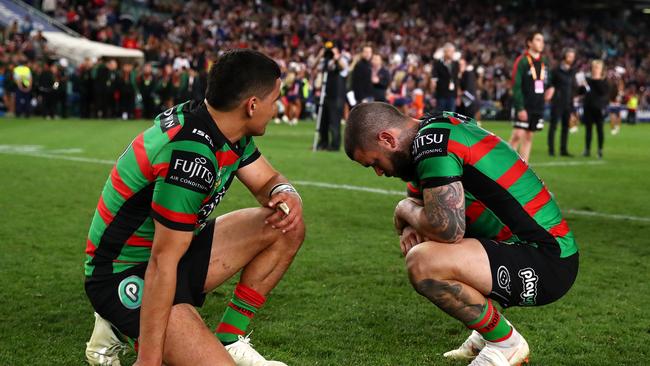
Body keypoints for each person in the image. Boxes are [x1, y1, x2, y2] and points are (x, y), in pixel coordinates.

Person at [84, 49, 305, 366]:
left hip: (171, 254)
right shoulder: (190, 155)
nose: (277, 108)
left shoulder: (222, 125)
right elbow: (161, 262)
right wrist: (150, 360)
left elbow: (266, 181)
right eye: (274, 99)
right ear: (252, 105)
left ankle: (229, 338)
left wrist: (285, 192)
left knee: (287, 224)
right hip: (125, 272)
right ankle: (119, 320)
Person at [344, 102, 579, 366]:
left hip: (547, 260)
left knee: (423, 262)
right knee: (426, 240)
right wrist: (414, 218)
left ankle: (506, 343)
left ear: (387, 139)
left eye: (375, 162)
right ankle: (485, 335)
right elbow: (424, 189)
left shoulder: (432, 143)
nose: (379, 172)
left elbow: (447, 230)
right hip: (537, 249)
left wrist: (405, 208)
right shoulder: (435, 127)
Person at [509, 32, 554, 162]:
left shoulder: (544, 60)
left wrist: (551, 88)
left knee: (529, 136)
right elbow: (516, 85)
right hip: (524, 104)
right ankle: (503, 167)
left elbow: (548, 79)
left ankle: (523, 169)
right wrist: (520, 107)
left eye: (542, 40)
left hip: (538, 104)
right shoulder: (522, 60)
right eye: (538, 40)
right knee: (517, 135)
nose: (542, 43)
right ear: (529, 42)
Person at [316, 45, 349, 151]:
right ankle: (323, 143)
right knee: (323, 122)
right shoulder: (325, 61)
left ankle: (334, 145)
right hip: (325, 95)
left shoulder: (342, 59)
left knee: (334, 122)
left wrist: (336, 58)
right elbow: (315, 67)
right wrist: (320, 55)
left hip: (336, 96)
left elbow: (343, 67)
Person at [548, 48, 576, 157]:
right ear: (564, 56)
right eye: (569, 56)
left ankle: (563, 150)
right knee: (553, 126)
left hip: (568, 102)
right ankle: (551, 150)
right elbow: (550, 84)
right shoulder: (556, 70)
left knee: (565, 127)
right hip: (557, 102)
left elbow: (573, 87)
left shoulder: (573, 71)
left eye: (573, 56)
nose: (571, 59)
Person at [580, 60, 609, 158]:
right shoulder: (587, 80)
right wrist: (582, 86)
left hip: (599, 108)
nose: (595, 69)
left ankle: (600, 150)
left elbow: (604, 93)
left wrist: (596, 80)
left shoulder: (603, 81)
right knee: (588, 130)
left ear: (601, 69)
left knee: (599, 130)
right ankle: (587, 149)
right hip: (588, 107)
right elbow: (581, 92)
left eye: (597, 67)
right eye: (594, 67)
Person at [432, 43, 459, 113]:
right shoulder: (437, 64)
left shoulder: (456, 64)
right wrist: (433, 96)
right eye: (451, 51)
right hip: (441, 95)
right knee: (440, 116)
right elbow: (434, 81)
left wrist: (457, 96)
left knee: (451, 117)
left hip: (452, 95)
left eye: (453, 51)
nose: (453, 53)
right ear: (445, 52)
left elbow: (456, 80)